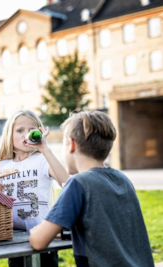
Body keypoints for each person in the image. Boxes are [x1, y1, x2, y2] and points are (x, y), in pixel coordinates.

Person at [29, 111, 154, 267]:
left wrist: (36, 231)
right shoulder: (123, 180)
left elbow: (39, 241)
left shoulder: (78, 184)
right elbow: (106, 226)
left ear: (72, 145)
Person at [0, 110, 69, 267]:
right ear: (9, 134)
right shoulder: (2, 166)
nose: (25, 134)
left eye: (31, 130)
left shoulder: (41, 160)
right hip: (14, 238)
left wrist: (45, 149)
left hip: (44, 237)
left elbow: (66, 182)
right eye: (20, 130)